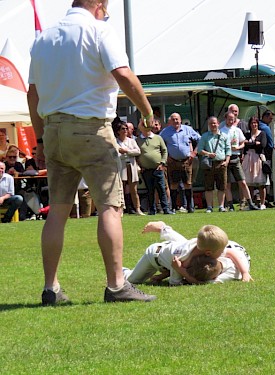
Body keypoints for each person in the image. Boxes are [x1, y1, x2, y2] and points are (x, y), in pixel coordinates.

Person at [27, 0, 157, 304]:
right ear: (99, 5)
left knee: (57, 210)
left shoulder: (43, 38)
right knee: (110, 206)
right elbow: (123, 74)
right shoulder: (100, 31)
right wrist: (147, 112)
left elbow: (33, 93)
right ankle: (116, 286)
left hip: (54, 130)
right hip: (91, 129)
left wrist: (41, 140)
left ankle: (51, 288)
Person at [123, 221, 252, 285]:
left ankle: (164, 228)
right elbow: (174, 282)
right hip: (154, 255)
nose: (224, 251)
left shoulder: (200, 246)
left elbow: (231, 252)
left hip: (173, 248)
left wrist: (245, 272)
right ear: (208, 252)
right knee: (133, 280)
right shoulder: (181, 260)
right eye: (221, 251)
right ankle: (122, 271)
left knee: (182, 243)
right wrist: (179, 270)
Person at [159, 112, 200, 213]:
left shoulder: (188, 130)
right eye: (173, 119)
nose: (175, 121)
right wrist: (165, 156)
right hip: (172, 161)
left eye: (177, 119)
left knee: (187, 183)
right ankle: (173, 207)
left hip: (186, 161)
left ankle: (190, 207)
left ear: (181, 120)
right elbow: (159, 144)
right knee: (173, 184)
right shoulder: (165, 132)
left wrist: (194, 153)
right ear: (170, 121)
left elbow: (200, 139)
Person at [220, 112, 260, 211]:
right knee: (227, 184)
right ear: (225, 119)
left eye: (232, 119)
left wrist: (238, 147)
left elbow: (243, 143)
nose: (231, 121)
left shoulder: (237, 130)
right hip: (225, 158)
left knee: (242, 181)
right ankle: (230, 205)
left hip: (235, 157)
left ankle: (250, 203)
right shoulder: (221, 131)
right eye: (229, 119)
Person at [136, 122, 172, 215]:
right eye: (144, 126)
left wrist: (162, 163)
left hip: (158, 169)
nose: (146, 128)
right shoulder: (138, 140)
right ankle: (152, 210)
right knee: (150, 190)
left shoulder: (158, 138)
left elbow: (164, 151)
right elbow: (136, 155)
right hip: (146, 170)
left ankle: (166, 209)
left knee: (161, 189)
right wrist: (140, 166)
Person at [197, 116, 231, 213]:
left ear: (218, 123)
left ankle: (221, 206)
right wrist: (208, 154)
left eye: (214, 123)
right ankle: (209, 207)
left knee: (222, 186)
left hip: (221, 163)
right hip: (209, 164)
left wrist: (227, 161)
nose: (213, 125)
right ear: (209, 125)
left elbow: (228, 150)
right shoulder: (204, 136)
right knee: (209, 186)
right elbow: (199, 150)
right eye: (211, 123)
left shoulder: (224, 136)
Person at [112, 118, 144, 215]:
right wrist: (121, 153)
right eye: (123, 129)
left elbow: (138, 151)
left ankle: (138, 209)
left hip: (131, 166)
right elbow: (114, 153)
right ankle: (121, 209)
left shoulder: (131, 141)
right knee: (120, 189)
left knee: (133, 189)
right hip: (121, 167)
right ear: (118, 131)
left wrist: (127, 151)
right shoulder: (115, 142)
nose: (125, 130)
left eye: (126, 128)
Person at [242, 116, 268, 209]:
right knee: (249, 183)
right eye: (252, 123)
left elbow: (263, 145)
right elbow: (244, 145)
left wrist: (250, 144)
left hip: (258, 159)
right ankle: (251, 204)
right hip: (248, 159)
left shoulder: (262, 134)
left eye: (255, 123)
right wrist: (254, 143)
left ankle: (262, 203)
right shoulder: (247, 134)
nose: (254, 124)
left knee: (261, 183)